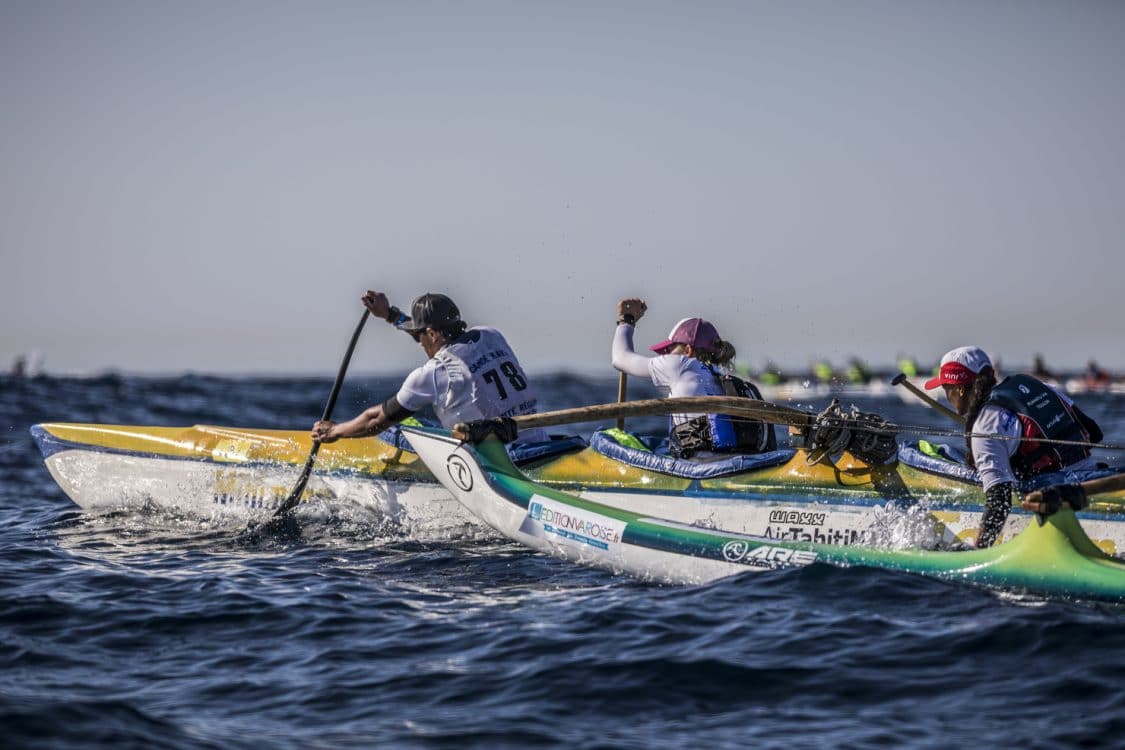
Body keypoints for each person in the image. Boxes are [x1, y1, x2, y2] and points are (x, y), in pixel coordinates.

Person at [311, 291, 548, 446]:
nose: (419, 341)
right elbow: (441, 340)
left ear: (432, 334)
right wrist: (391, 315)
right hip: (539, 441)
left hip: (501, 462)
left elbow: (377, 419)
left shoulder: (431, 374)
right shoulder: (491, 336)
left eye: (420, 334)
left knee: (397, 430)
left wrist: (335, 431)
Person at [925, 346, 1103, 547]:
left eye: (945, 389)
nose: (946, 397)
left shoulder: (984, 424)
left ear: (958, 389)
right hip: (1093, 478)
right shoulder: (1033, 384)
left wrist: (978, 553)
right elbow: (1094, 433)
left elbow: (999, 502)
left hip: (1059, 497)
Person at [611, 298, 775, 458]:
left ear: (688, 350)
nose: (665, 355)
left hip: (699, 466)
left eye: (669, 349)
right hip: (738, 459)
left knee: (604, 439)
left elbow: (620, 359)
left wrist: (626, 320)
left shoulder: (680, 364)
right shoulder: (720, 375)